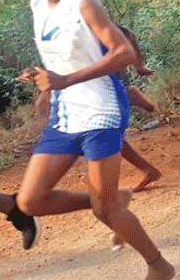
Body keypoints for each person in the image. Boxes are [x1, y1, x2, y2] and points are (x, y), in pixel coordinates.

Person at [16, 0, 175, 280]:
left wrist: (66, 80)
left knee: (106, 214)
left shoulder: (85, 3)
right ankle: (112, 199)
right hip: (67, 112)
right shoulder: (37, 4)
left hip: (102, 110)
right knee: (30, 200)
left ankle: (159, 265)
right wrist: (44, 81)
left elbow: (124, 54)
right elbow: (60, 54)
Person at [35, 24, 162, 194]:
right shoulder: (65, 29)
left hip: (102, 90)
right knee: (101, 135)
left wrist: (138, 65)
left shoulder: (86, 23)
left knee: (99, 134)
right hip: (87, 91)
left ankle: (118, 190)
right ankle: (130, 97)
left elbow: (127, 35)